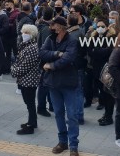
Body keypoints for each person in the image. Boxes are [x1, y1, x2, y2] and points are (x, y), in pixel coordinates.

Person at [40, 16, 80, 156]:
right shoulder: (50, 39)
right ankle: (62, 142)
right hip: (53, 83)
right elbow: (42, 53)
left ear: (61, 27)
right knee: (58, 113)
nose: (52, 27)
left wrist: (51, 65)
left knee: (72, 115)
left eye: (54, 25)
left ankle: (73, 145)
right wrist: (57, 53)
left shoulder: (72, 40)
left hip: (68, 83)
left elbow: (68, 58)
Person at [11, 24, 41, 135]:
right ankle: (32, 121)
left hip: (29, 79)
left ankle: (31, 125)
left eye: (27, 32)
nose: (24, 34)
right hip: (25, 79)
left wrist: (13, 71)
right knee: (29, 102)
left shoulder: (32, 47)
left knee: (30, 102)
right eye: (23, 32)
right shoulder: (25, 45)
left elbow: (25, 66)